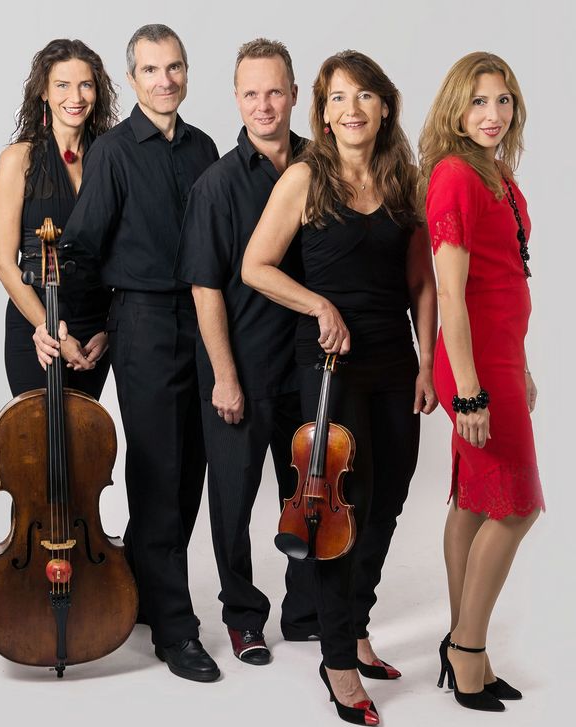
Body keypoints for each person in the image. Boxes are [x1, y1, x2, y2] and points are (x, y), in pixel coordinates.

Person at [243, 51, 436, 725]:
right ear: (322, 114)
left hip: (394, 362)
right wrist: (319, 305)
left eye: (364, 96)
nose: (351, 109)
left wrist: (427, 363)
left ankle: (355, 627)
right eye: (337, 98)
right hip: (328, 367)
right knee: (337, 512)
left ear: (385, 107)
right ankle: (337, 661)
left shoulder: (404, 180)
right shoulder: (305, 176)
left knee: (387, 501)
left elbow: (422, 281)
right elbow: (256, 265)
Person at [34, 24, 220, 682]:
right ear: (133, 78)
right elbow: (80, 247)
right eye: (150, 70)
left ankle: (142, 585)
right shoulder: (113, 151)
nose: (164, 80)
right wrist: (91, 324)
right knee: (157, 471)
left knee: (191, 466)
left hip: (204, 318)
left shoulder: (204, 148)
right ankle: (176, 628)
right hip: (143, 321)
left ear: (186, 72)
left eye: (174, 68)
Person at [175, 38, 317, 665]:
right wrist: (224, 377)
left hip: (308, 366)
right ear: (236, 98)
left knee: (307, 496)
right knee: (231, 501)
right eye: (252, 93)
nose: (264, 105)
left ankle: (305, 611)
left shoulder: (323, 167)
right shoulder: (216, 185)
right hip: (242, 367)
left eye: (275, 91)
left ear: (294, 94)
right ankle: (242, 615)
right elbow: (205, 290)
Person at [418, 51, 544, 712]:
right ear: (455, 109)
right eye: (477, 101)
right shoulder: (455, 176)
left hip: (499, 355)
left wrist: (520, 364)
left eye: (502, 100)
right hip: (473, 364)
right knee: (517, 505)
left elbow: (506, 278)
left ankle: (467, 645)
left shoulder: (496, 173)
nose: (492, 114)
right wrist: (469, 389)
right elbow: (452, 294)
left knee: (473, 499)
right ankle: (467, 648)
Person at [0, 38, 118, 398]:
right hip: (37, 324)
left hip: (95, 328)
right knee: (39, 430)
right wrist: (47, 327)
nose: (75, 97)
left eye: (86, 85)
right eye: (62, 85)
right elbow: (3, 263)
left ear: (97, 91)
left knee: (83, 431)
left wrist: (109, 328)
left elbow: (125, 252)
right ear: (43, 92)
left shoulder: (111, 158)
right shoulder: (19, 159)